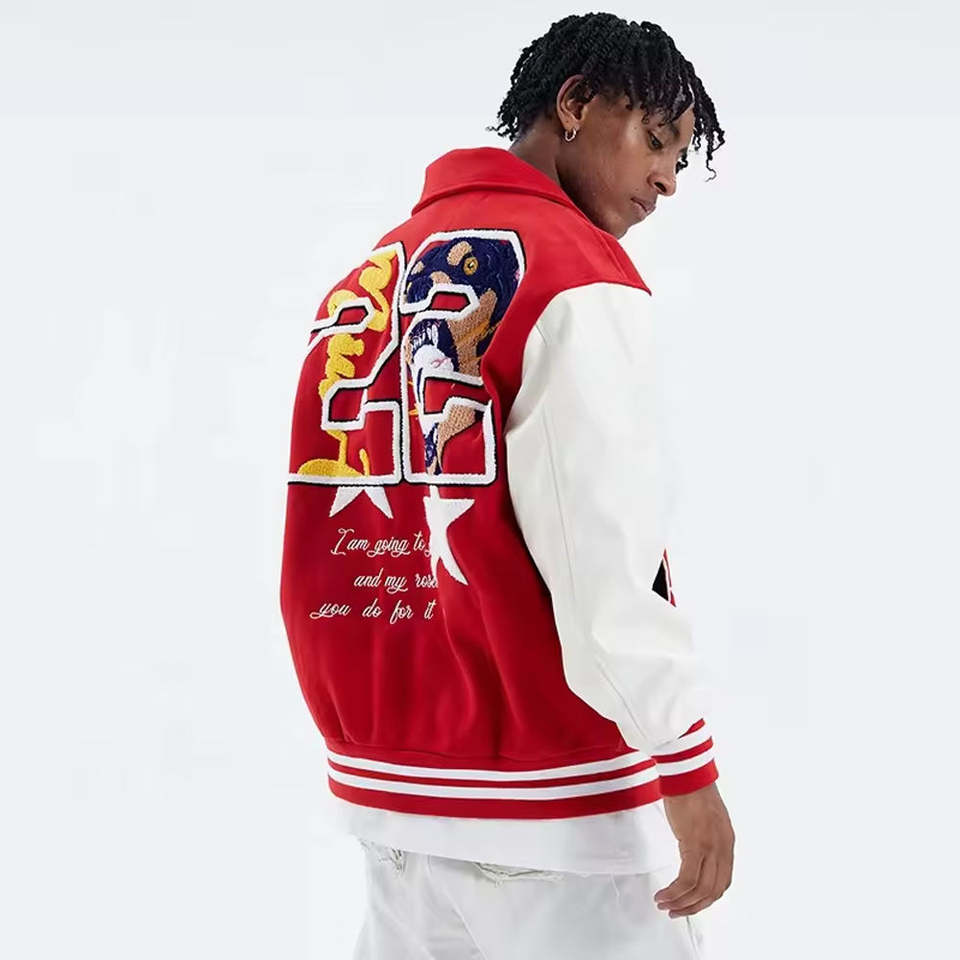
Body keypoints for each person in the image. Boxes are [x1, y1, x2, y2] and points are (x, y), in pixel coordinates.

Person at [279, 12, 734, 958]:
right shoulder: (573, 274)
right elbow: (601, 547)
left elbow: (323, 544)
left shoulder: (368, 280)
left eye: (679, 158)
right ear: (574, 103)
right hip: (553, 812)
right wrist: (685, 764)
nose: (667, 179)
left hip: (395, 808)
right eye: (656, 138)